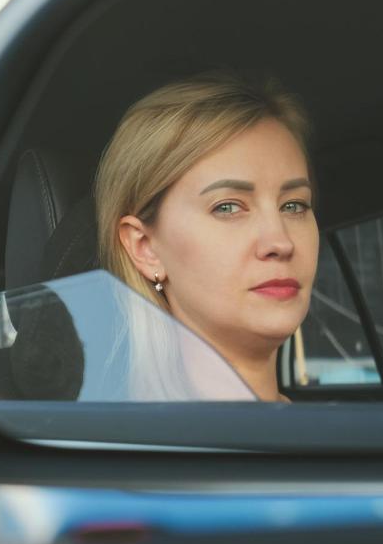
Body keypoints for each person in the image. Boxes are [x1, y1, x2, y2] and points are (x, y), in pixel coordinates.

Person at [93, 72, 317, 402]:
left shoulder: (335, 439)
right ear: (145, 248)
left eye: (294, 205)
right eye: (227, 207)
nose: (280, 243)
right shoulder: (131, 446)